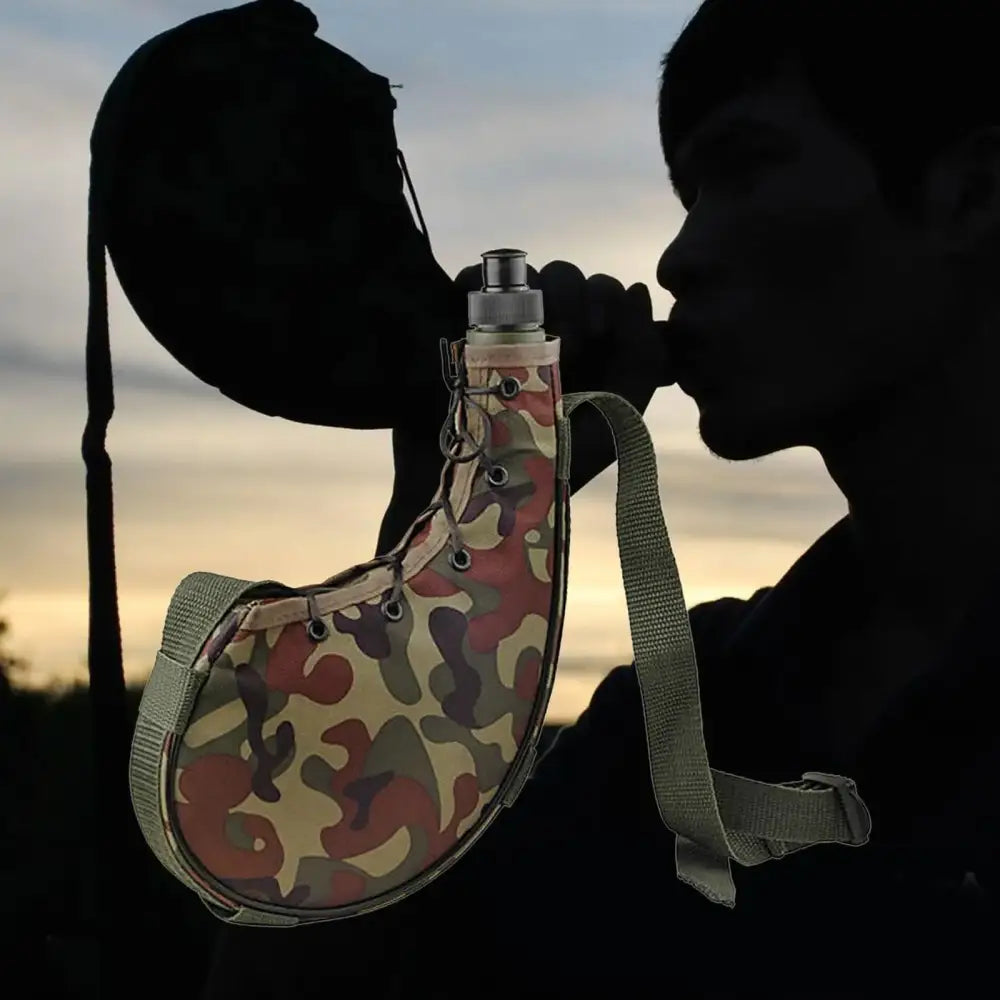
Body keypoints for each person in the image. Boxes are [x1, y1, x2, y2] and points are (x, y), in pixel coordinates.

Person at [203, 1, 999, 994]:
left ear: (972, 192)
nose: (680, 257)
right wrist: (449, 530)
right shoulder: (678, 717)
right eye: (686, 193)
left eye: (745, 167)